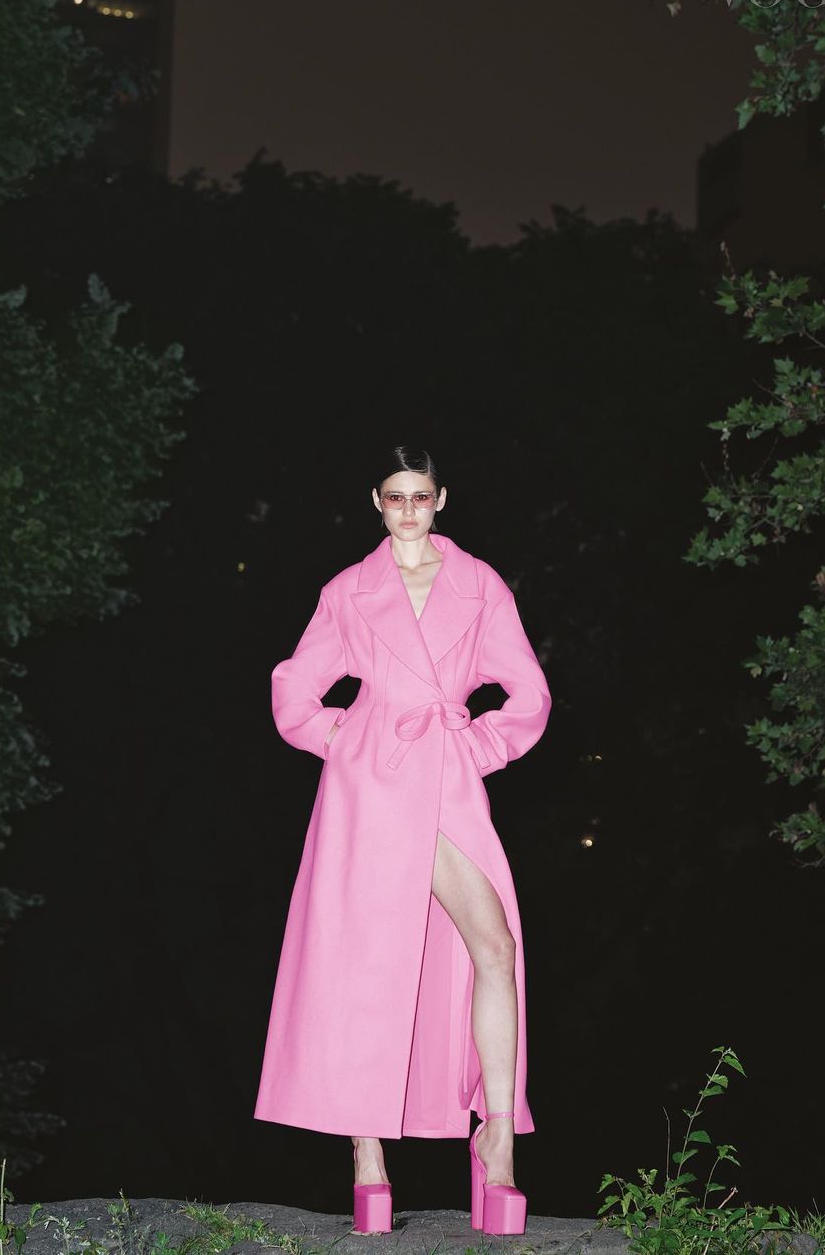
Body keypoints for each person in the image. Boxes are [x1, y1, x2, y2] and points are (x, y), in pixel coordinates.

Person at [253, 446, 552, 1236]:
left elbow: (528, 691)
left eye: (421, 496)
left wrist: (479, 746)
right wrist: (341, 738)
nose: (409, 510)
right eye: (396, 497)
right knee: (367, 964)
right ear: (376, 503)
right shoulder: (348, 592)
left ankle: (496, 1140)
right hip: (370, 787)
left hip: (447, 780)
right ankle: (368, 1160)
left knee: (495, 945)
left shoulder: (479, 586)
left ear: (441, 500)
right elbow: (293, 689)